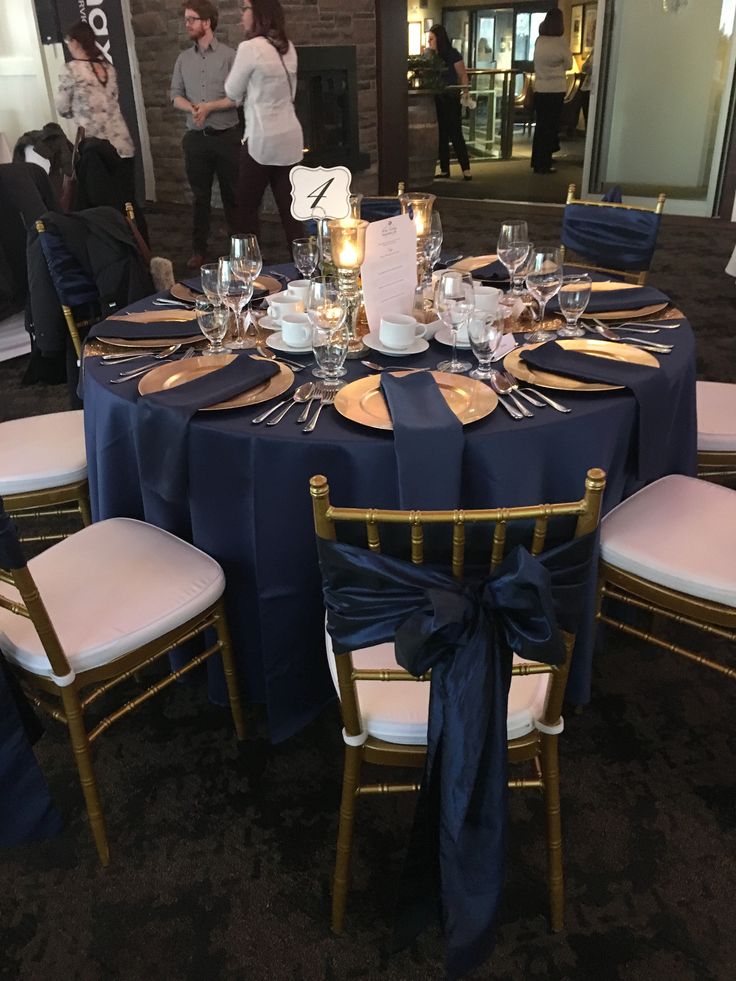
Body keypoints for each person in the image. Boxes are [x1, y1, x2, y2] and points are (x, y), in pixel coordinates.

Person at [224, 0, 304, 250]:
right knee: (291, 213)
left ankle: (249, 270)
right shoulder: (288, 47)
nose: (241, 15)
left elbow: (231, 91)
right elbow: (290, 96)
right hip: (291, 138)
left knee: (245, 211)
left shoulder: (250, 48)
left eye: (245, 9)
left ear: (258, 14)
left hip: (261, 140)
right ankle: (305, 270)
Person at [171, 2, 240, 269]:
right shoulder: (182, 59)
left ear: (207, 22)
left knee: (232, 196)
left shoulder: (229, 56)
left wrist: (209, 107)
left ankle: (238, 251)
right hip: (197, 139)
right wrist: (192, 108)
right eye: (186, 19)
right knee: (199, 198)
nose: (187, 24)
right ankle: (199, 250)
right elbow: (174, 94)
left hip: (226, 137)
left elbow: (237, 96)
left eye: (192, 19)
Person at [55, 21, 135, 196]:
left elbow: (62, 107)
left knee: (101, 202)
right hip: (122, 143)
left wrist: (78, 111)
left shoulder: (71, 69)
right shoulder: (109, 68)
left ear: (75, 42)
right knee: (126, 197)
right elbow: (114, 98)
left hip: (95, 148)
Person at [427, 25, 472, 181]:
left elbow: (462, 75)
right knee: (442, 135)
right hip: (438, 98)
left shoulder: (452, 55)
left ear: (439, 39)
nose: (429, 42)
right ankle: (445, 169)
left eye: (431, 39)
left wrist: (465, 93)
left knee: (455, 133)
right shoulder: (432, 57)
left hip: (451, 98)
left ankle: (466, 169)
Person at [531, 8, 572, 175]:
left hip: (540, 88)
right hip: (556, 89)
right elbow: (569, 65)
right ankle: (545, 163)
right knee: (551, 126)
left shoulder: (539, 41)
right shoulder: (560, 42)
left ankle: (537, 160)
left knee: (541, 126)